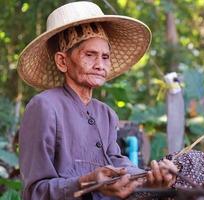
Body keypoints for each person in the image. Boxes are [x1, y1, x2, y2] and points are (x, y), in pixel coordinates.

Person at [17, 1, 177, 199]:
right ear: (62, 61)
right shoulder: (44, 106)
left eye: (105, 56)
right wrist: (86, 182)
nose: (100, 65)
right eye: (90, 55)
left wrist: (147, 177)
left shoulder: (106, 113)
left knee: (189, 165)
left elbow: (117, 162)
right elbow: (34, 191)